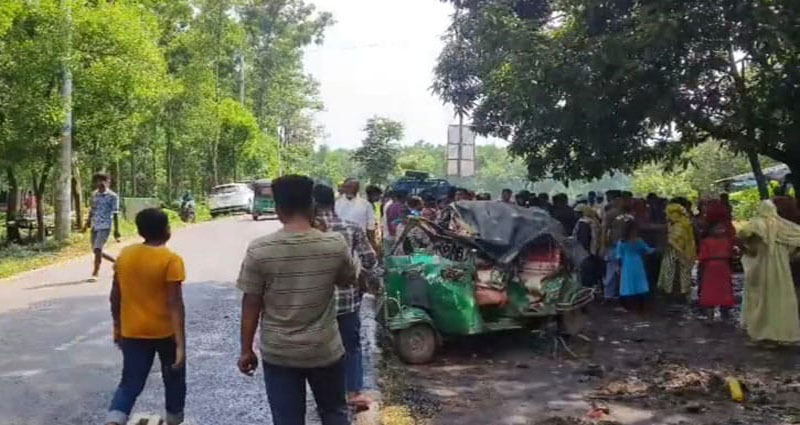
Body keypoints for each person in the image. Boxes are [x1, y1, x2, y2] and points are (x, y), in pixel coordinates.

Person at [237, 175, 355, 425]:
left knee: (287, 420)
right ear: (312, 206)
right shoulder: (334, 244)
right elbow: (347, 281)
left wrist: (246, 350)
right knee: (334, 413)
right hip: (325, 350)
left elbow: (251, 304)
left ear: (279, 209)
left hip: (280, 354)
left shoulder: (260, 249)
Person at [106, 208, 186, 425]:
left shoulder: (126, 255)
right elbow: (175, 304)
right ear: (166, 230)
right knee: (174, 379)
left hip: (132, 332)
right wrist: (180, 344)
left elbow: (115, 296)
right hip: (165, 333)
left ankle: (114, 420)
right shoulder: (171, 260)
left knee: (130, 382)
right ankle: (174, 419)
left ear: (141, 230)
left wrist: (117, 327)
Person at [313, 185, 379, 411]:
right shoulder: (350, 228)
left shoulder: (306, 232)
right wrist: (361, 273)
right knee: (351, 346)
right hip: (348, 300)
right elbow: (370, 260)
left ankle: (327, 396)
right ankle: (354, 393)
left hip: (316, 304)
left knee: (321, 350)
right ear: (334, 202)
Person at [739, 200, 800, 344]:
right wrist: (791, 254)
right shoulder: (784, 225)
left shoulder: (756, 223)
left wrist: (749, 248)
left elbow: (742, 234)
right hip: (781, 268)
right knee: (780, 297)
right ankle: (782, 332)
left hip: (760, 266)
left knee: (760, 297)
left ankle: (760, 330)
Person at [697, 201, 736, 320]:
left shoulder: (707, 240)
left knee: (710, 291)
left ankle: (710, 316)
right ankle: (725, 314)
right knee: (724, 289)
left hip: (712, 267)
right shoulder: (726, 238)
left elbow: (702, 258)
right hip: (722, 266)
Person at [85, 173, 121, 282]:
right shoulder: (94, 195)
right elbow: (92, 209)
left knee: (98, 249)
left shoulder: (112, 196)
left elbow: (115, 213)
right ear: (95, 183)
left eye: (104, 181)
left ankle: (95, 273)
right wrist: (87, 223)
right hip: (95, 225)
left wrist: (116, 230)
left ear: (108, 182)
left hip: (105, 225)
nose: (101, 183)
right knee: (96, 250)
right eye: (99, 181)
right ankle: (118, 263)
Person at [657, 203, 696, 301]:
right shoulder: (685, 224)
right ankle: (679, 294)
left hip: (675, 254)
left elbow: (673, 241)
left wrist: (680, 252)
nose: (667, 216)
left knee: (673, 275)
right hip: (682, 253)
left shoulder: (679, 226)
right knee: (681, 276)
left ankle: (675, 296)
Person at [615, 220, 655, 312]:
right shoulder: (638, 241)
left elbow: (619, 255)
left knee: (627, 283)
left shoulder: (621, 242)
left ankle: (627, 305)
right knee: (639, 283)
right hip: (638, 263)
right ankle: (640, 306)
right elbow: (647, 250)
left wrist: (618, 266)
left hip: (627, 264)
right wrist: (656, 249)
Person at [336, 178, 378, 253]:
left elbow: (370, 226)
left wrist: (373, 244)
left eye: (351, 187)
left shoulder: (365, 205)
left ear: (357, 188)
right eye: (346, 186)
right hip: (340, 243)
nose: (348, 189)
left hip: (360, 243)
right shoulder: (336, 204)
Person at [573, 205, 603, 288]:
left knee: (586, 277)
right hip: (595, 252)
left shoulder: (583, 222)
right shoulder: (594, 221)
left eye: (577, 213)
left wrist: (586, 253)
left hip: (585, 254)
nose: (575, 215)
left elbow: (584, 239)